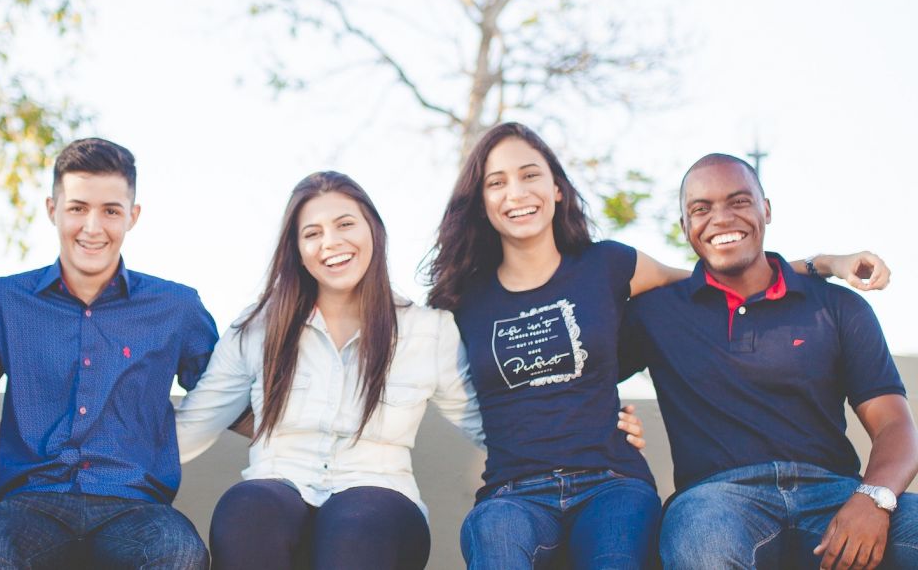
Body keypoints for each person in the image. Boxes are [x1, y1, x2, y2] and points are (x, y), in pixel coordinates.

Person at [424, 122, 888, 570]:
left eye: (530, 175)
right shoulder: (463, 299)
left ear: (557, 188)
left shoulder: (609, 264)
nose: (517, 192)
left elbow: (717, 275)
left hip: (610, 482)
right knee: (496, 537)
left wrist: (823, 263)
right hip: (513, 490)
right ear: (481, 200)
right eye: (497, 182)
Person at [173, 170, 644, 570]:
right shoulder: (258, 328)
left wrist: (595, 425)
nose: (331, 243)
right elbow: (193, 426)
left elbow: (495, 425)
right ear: (296, 249)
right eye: (312, 233)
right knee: (247, 509)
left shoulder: (427, 330)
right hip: (277, 479)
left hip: (379, 491)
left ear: (373, 231)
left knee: (356, 525)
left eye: (344, 224)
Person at [620, 153, 918, 570]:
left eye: (738, 201)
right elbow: (576, 376)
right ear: (685, 226)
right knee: (701, 544)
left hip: (834, 494)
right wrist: (611, 419)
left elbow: (893, 423)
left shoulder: (836, 306)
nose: (720, 218)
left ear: (767, 209)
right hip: (716, 502)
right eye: (700, 209)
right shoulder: (655, 313)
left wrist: (874, 498)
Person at [0, 138, 217, 570]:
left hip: (135, 507)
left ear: (132, 217)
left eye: (111, 211)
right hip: (30, 505)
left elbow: (228, 392)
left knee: (181, 553)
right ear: (52, 209)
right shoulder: (4, 300)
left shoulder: (176, 308)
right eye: (78, 208)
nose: (93, 227)